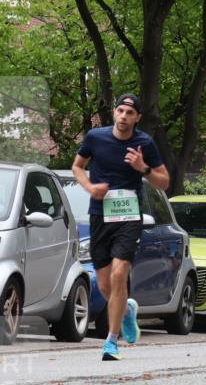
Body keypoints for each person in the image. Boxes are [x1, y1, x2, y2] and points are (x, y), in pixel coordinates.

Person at [71, 93, 169, 361]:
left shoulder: (144, 143)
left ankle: (111, 342)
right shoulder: (95, 137)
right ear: (114, 113)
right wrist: (91, 187)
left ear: (137, 118)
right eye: (121, 111)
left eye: (130, 113)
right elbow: (77, 167)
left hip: (129, 216)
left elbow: (164, 182)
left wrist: (143, 168)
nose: (124, 116)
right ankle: (126, 310)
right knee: (104, 286)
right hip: (100, 215)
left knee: (118, 275)